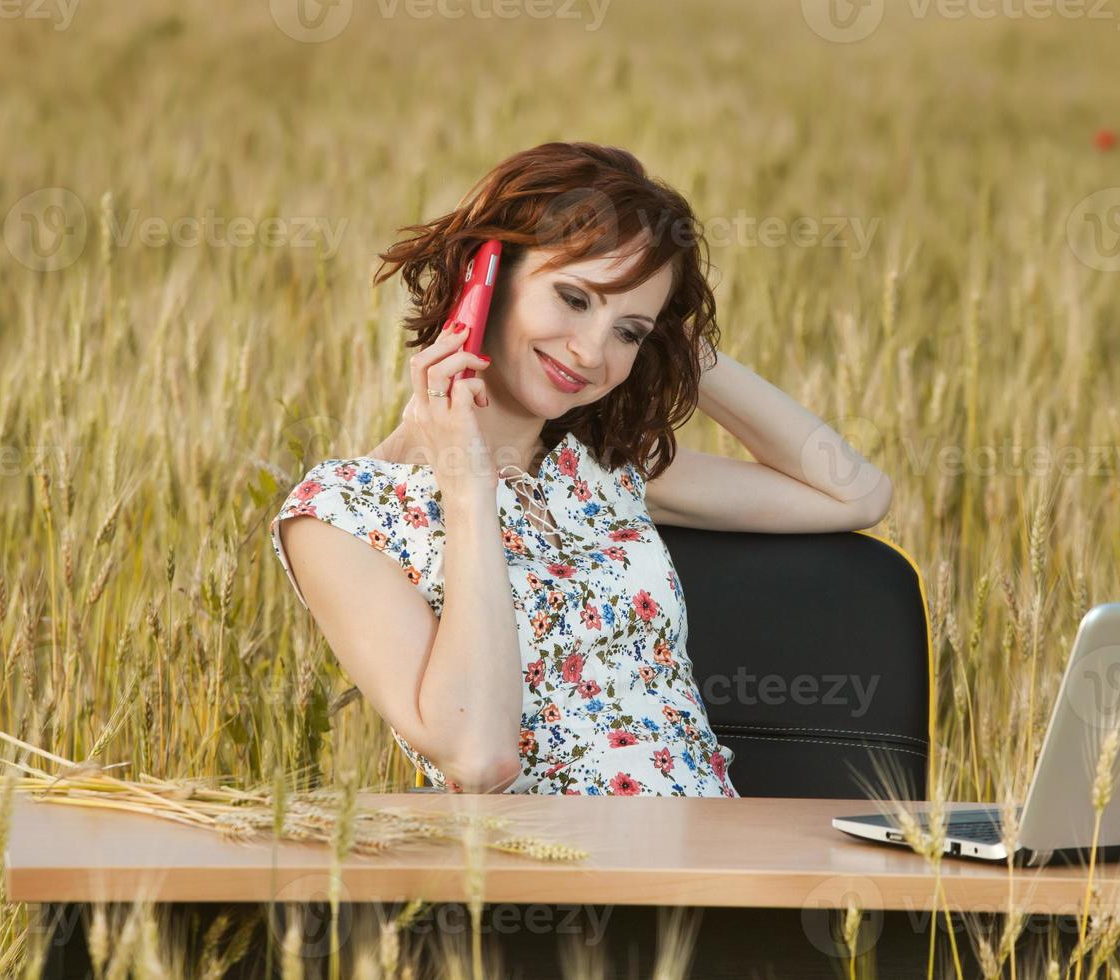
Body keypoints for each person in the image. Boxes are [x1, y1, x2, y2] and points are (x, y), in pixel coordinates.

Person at [270, 141, 893, 795]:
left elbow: (854, 494)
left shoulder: (602, 471)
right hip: (554, 885)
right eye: (574, 298)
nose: (593, 351)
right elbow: (478, 759)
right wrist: (467, 485)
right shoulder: (342, 513)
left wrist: (675, 344)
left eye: (629, 331)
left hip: (718, 859)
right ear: (487, 277)